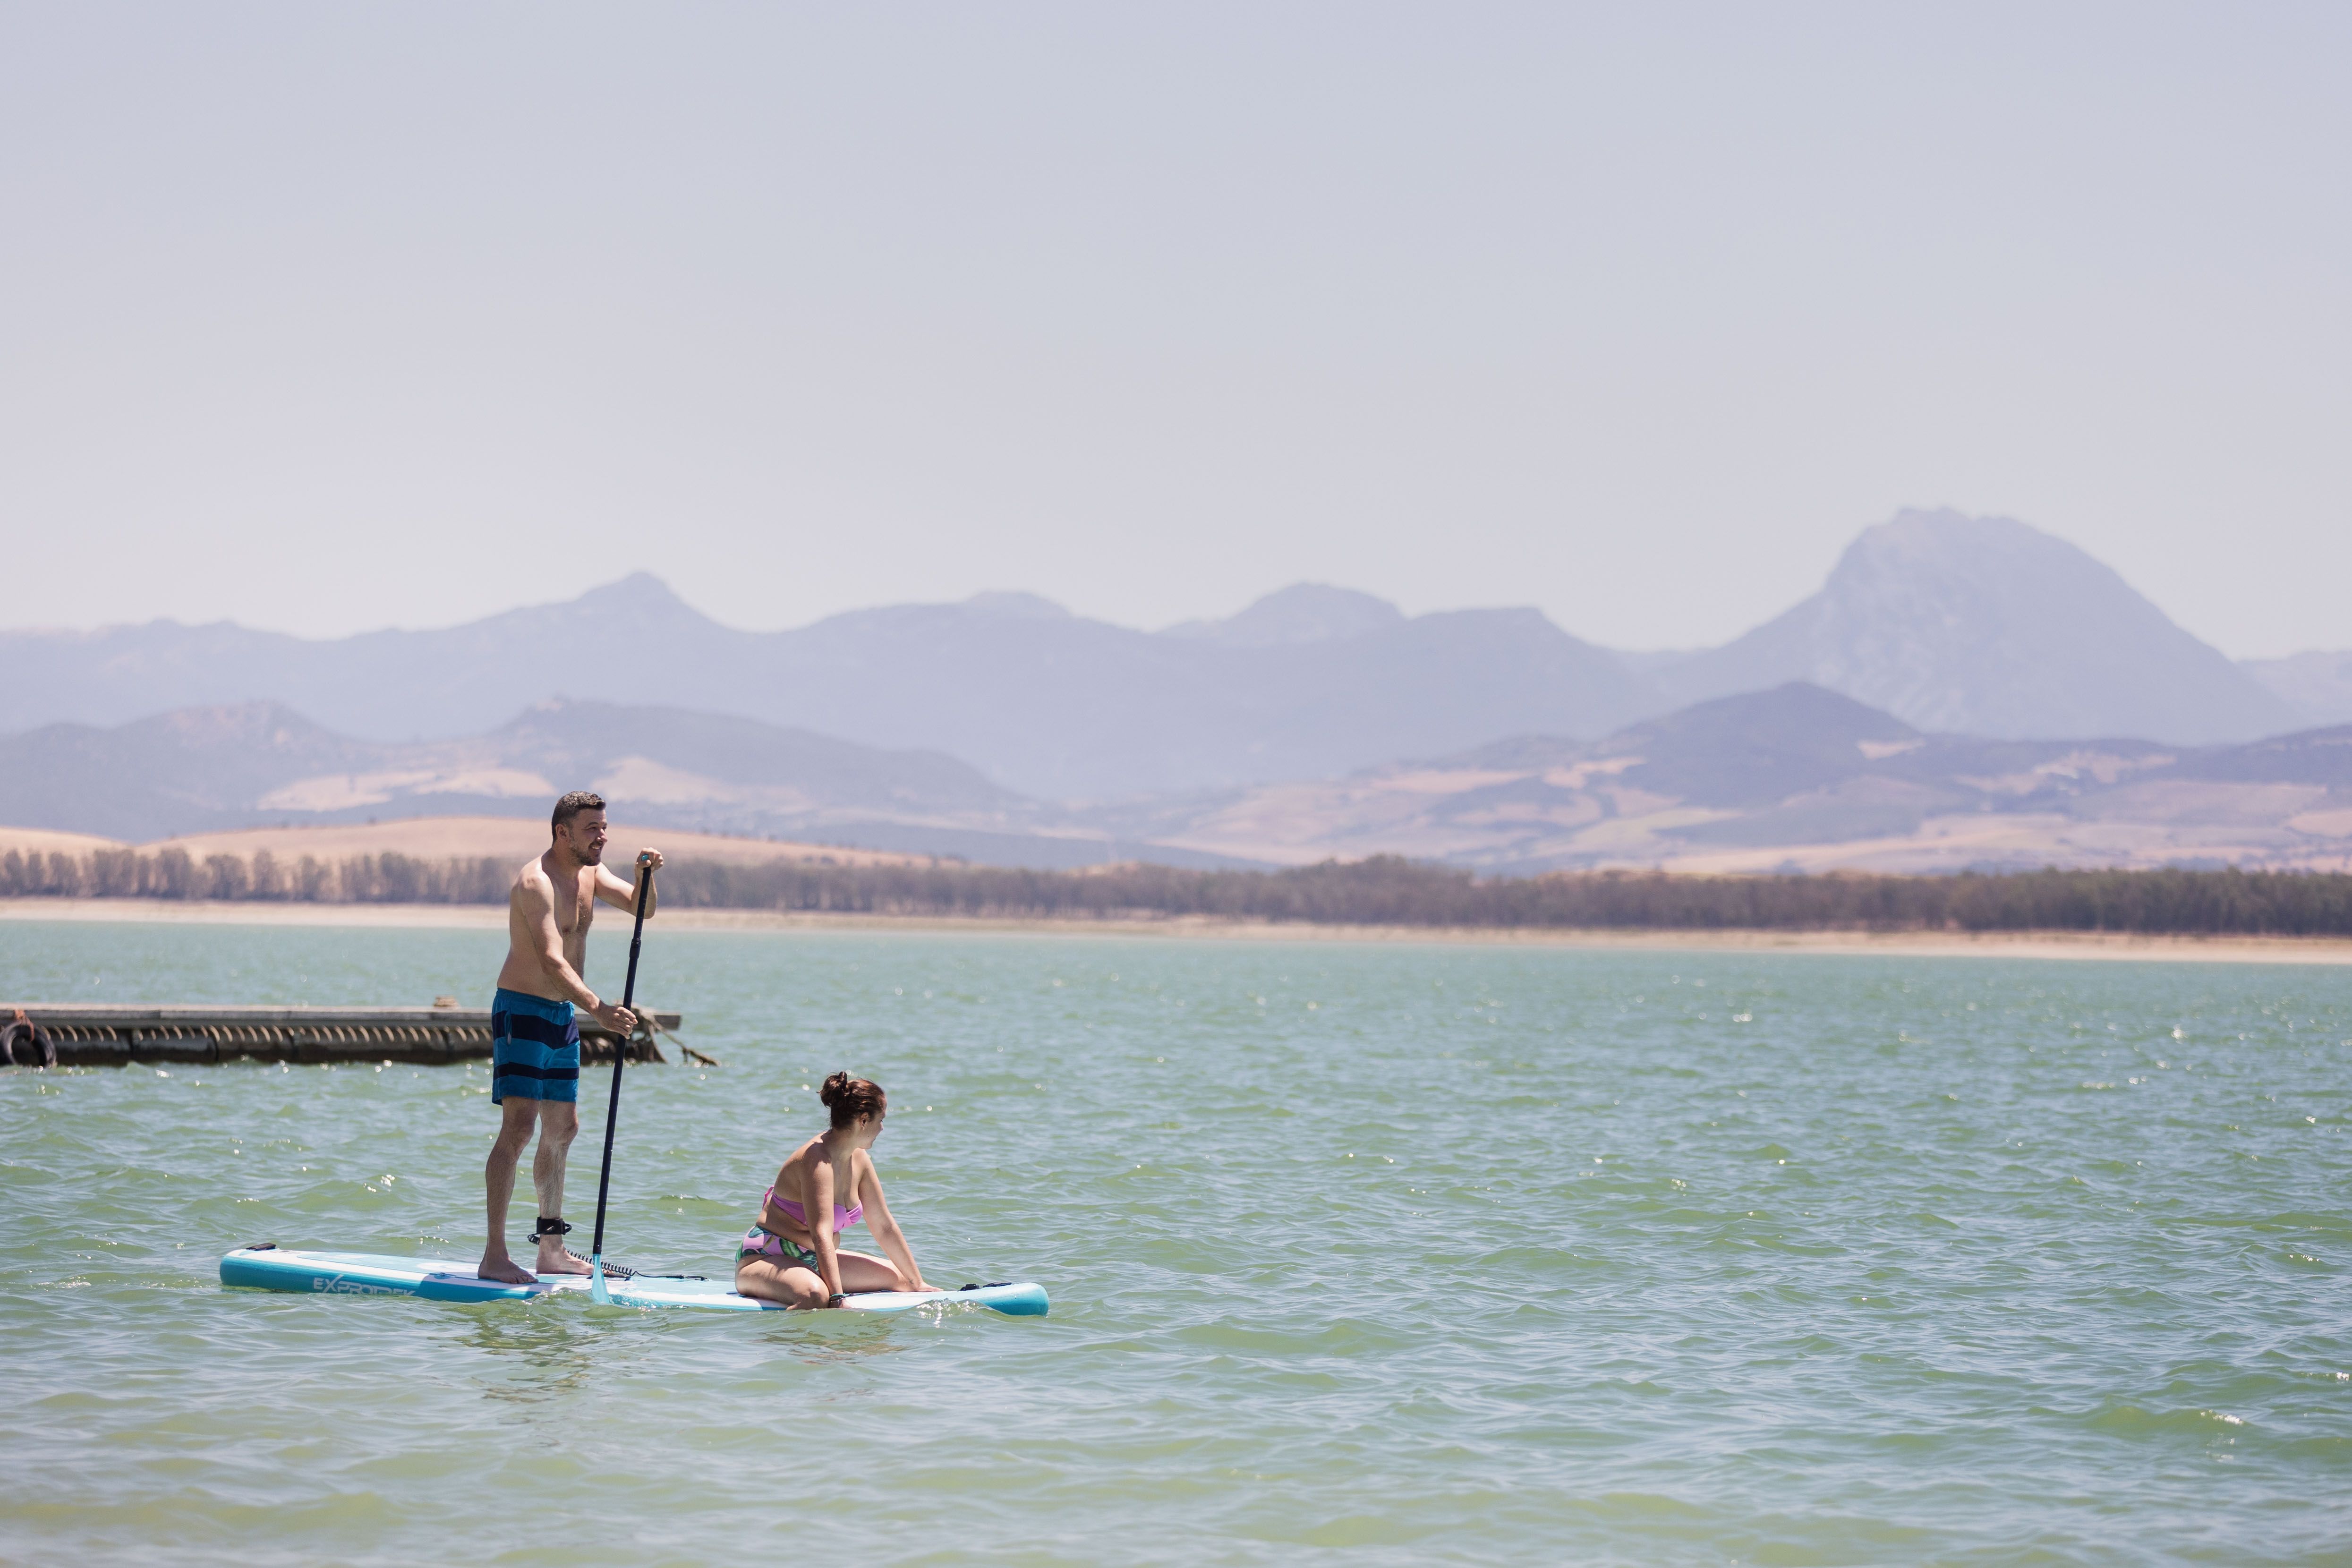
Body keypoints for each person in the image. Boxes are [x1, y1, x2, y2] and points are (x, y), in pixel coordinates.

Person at [475, 790, 663, 1286]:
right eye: (591, 829)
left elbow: (642, 909)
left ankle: (552, 1249)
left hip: (561, 1013)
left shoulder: (591, 874)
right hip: (522, 1010)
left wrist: (645, 877)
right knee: (519, 1128)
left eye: (604, 827)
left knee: (564, 1127)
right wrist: (599, 1009)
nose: (602, 837)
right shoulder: (535, 882)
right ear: (562, 832)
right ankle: (494, 1254)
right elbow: (552, 960)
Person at [735, 1072, 935, 1308]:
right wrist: (838, 1298)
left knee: (902, 1280)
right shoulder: (816, 1160)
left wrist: (918, 1283)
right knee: (815, 1296)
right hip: (766, 1257)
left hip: (812, 1258)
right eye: (881, 1120)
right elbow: (821, 1233)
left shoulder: (859, 1159)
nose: (882, 1128)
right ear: (863, 1120)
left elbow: (883, 1226)